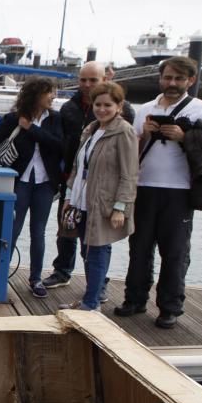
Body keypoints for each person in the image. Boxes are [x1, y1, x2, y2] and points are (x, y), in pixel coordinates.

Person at [115, 56, 202, 328]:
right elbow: (131, 152)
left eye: (178, 78)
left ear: (190, 80)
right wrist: (146, 135)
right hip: (144, 187)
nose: (171, 83)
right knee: (138, 248)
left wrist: (185, 137)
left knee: (174, 252)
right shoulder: (145, 109)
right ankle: (135, 299)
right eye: (167, 78)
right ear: (160, 79)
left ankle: (170, 307)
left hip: (180, 191)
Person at [42, 61, 135, 291]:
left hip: (103, 186)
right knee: (66, 229)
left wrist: (121, 204)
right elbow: (62, 142)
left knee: (97, 239)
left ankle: (97, 286)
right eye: (83, 79)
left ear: (105, 79)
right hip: (74, 180)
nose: (86, 84)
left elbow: (128, 162)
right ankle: (62, 271)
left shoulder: (124, 120)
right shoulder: (71, 109)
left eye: (93, 80)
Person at [0, 77, 64, 298]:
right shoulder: (13, 118)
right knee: (12, 229)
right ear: (36, 94)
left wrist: (32, 130)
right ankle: (0, 275)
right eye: (50, 92)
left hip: (45, 183)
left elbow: (60, 146)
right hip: (20, 181)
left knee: (38, 232)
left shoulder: (56, 119)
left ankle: (36, 279)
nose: (53, 97)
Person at [61, 82, 137, 312]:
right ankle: (89, 298)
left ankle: (91, 303)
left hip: (104, 203)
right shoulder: (92, 129)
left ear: (119, 106)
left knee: (97, 251)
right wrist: (67, 197)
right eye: (98, 104)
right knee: (87, 251)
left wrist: (120, 207)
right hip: (83, 200)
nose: (102, 109)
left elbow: (129, 173)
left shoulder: (124, 131)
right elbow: (78, 166)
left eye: (108, 105)